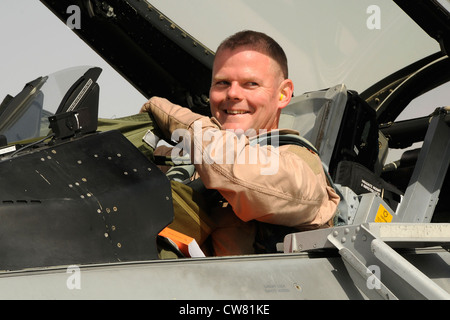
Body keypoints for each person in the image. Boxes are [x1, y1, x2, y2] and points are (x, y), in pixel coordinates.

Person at [140, 30, 340, 256]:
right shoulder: (188, 161)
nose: (232, 93)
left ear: (283, 94)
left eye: (251, 84)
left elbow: (238, 173)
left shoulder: (301, 166)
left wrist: (171, 115)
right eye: (222, 83)